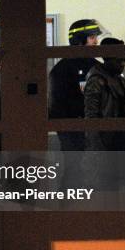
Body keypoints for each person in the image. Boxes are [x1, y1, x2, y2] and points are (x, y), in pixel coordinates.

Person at [48, 19, 104, 151]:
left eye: (96, 37)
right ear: (79, 40)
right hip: (72, 131)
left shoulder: (98, 67)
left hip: (96, 129)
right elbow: (56, 105)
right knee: (74, 166)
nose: (96, 42)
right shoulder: (63, 68)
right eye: (92, 37)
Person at [84, 37, 125, 151]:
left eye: (124, 60)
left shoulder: (120, 79)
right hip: (105, 141)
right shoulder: (96, 80)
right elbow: (91, 116)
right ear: (107, 58)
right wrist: (97, 147)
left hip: (118, 139)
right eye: (119, 61)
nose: (122, 64)